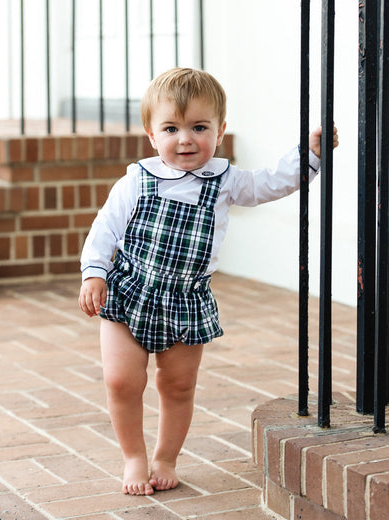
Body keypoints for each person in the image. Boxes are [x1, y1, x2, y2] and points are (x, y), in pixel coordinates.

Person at [78, 67, 339, 496]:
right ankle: (133, 456)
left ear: (219, 132)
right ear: (151, 134)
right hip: (131, 293)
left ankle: (165, 456)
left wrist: (308, 155)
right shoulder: (137, 181)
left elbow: (270, 184)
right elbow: (104, 228)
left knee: (178, 385)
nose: (185, 139)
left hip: (186, 298)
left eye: (199, 127)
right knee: (122, 380)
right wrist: (94, 272)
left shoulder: (225, 180)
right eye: (171, 128)